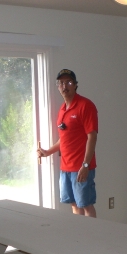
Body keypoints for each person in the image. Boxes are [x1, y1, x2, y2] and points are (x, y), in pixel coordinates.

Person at [37, 69, 98, 217]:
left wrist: (85, 165)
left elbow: (92, 137)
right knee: (74, 205)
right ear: (58, 86)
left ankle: (93, 238)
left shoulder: (85, 105)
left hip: (81, 167)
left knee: (86, 206)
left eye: (69, 82)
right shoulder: (62, 109)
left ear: (75, 85)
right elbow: (64, 138)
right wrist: (47, 152)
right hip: (65, 168)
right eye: (61, 83)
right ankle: (79, 237)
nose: (65, 86)